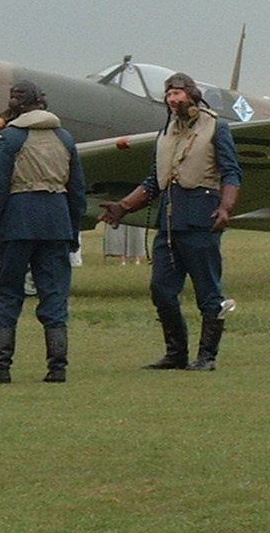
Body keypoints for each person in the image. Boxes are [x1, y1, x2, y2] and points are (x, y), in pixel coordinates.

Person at [100, 73, 242, 372]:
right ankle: (176, 354)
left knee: (208, 292)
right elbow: (154, 181)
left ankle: (207, 357)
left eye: (177, 94)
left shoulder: (217, 127)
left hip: (202, 219)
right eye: (168, 95)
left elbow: (231, 172)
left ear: (191, 95)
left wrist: (226, 207)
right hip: (168, 223)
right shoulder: (164, 133)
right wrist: (123, 207)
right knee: (161, 290)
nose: (172, 100)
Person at [0, 80, 87, 384]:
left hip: (17, 223)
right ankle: (58, 367)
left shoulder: (10, 138)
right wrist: (73, 230)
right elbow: (77, 190)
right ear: (41, 101)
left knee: (7, 294)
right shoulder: (65, 138)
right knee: (54, 294)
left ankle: (1, 366)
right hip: (56, 223)